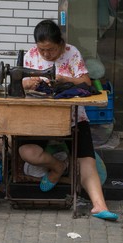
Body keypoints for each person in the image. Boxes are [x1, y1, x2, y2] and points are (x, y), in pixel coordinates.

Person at [19, 19, 118, 221]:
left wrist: (66, 80)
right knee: (25, 151)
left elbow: (86, 82)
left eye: (51, 50)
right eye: (42, 50)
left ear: (61, 44)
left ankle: (99, 206)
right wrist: (28, 83)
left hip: (73, 116)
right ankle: (58, 167)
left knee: (86, 159)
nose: (46, 54)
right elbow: (22, 83)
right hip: (40, 117)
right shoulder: (30, 55)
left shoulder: (71, 53)